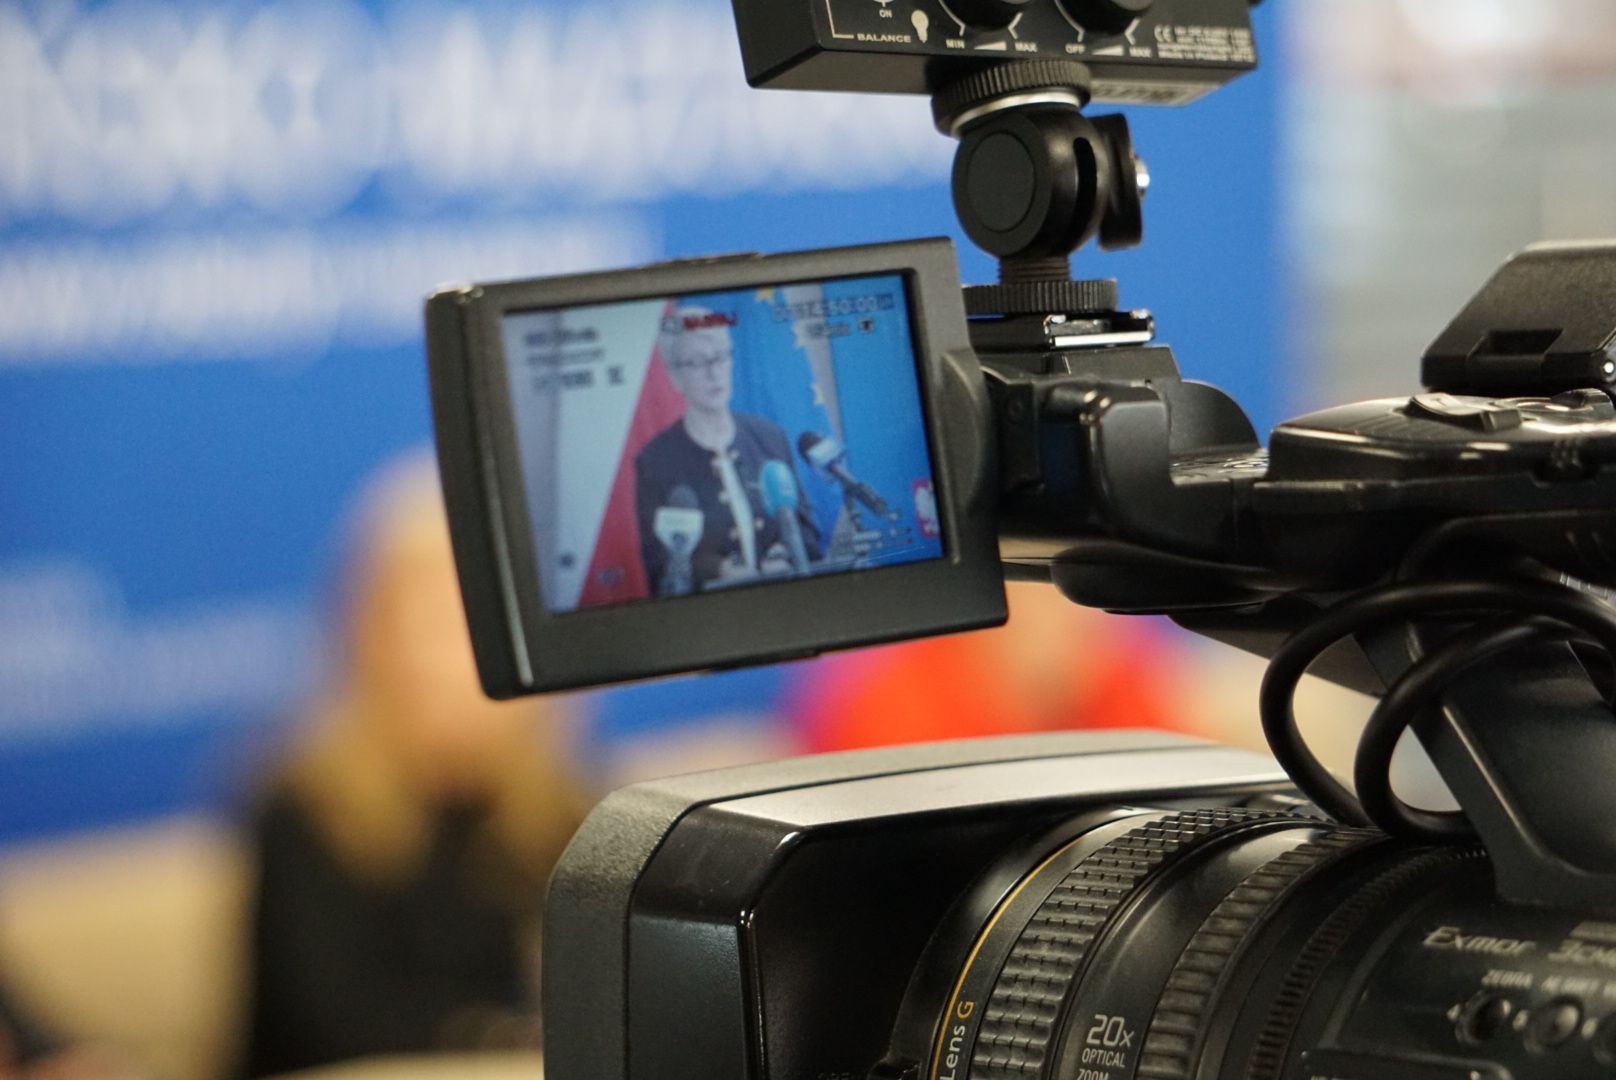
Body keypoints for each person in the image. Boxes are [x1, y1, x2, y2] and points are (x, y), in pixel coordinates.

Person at [241, 455, 592, 1078]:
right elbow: (337, 1032)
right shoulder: (306, 810)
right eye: (435, 621)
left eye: (482, 623)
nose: (462, 658)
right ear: (371, 634)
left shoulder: (567, 809)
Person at [634, 306, 821, 595]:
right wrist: (718, 571)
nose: (714, 373)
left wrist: (786, 553)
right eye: (697, 362)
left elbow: (807, 529)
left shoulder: (769, 438)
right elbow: (659, 562)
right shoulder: (655, 461)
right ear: (675, 376)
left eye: (720, 356)